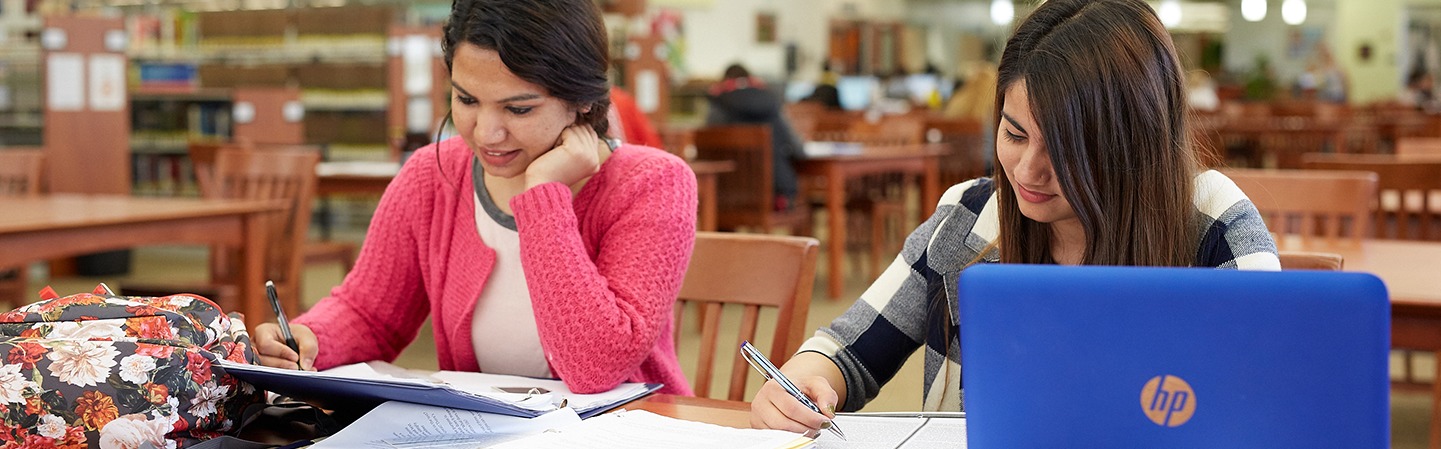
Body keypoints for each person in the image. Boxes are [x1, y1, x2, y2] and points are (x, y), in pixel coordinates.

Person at [749, 0, 1280, 436]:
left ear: (1135, 143)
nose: (1027, 171)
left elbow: (1268, 403)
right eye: (1015, 133)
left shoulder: (1213, 223)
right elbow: (849, 351)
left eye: (1068, 150)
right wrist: (803, 380)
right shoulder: (970, 217)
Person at [252, 0, 697, 396]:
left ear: (582, 98)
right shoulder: (432, 174)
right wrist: (311, 337)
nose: (486, 133)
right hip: (488, 432)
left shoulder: (654, 183)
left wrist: (544, 193)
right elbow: (370, 314)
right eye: (466, 99)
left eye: (518, 109)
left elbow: (596, 367)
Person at [706, 63, 805, 210]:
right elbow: (797, 148)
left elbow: (707, 146)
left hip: (725, 198)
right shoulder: (772, 103)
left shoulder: (717, 106)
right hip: (774, 194)